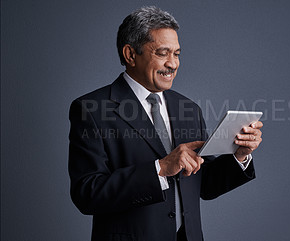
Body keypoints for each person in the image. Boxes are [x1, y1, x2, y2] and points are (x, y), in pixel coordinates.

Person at [68, 6, 263, 241]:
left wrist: (239, 156)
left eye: (177, 53)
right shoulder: (91, 109)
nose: (173, 64)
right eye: (162, 53)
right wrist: (159, 169)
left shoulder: (189, 109)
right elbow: (87, 194)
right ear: (130, 55)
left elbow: (205, 185)